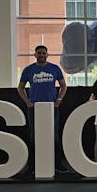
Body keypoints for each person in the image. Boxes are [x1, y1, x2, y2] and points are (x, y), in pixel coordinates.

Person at [17, 45, 67, 175]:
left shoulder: (55, 68)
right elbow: (20, 87)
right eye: (39, 53)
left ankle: (57, 163)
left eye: (44, 53)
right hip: (34, 108)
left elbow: (63, 86)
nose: (41, 55)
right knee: (34, 135)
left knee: (54, 134)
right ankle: (32, 165)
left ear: (47, 55)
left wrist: (58, 100)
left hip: (52, 107)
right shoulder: (29, 70)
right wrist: (27, 102)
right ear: (35, 55)